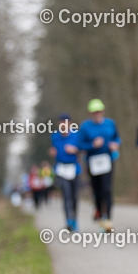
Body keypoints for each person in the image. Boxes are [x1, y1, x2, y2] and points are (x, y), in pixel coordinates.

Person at [77, 98, 120, 232]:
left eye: (99, 111)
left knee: (107, 189)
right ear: (91, 113)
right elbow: (80, 145)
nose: (97, 114)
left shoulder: (110, 123)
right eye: (94, 112)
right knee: (97, 190)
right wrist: (92, 145)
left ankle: (108, 219)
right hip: (92, 162)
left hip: (107, 160)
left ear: (103, 111)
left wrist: (116, 144)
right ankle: (100, 215)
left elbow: (117, 138)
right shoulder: (85, 127)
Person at [49, 113, 81, 231]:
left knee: (74, 197)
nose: (63, 125)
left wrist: (76, 150)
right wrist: (52, 152)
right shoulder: (55, 136)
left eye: (66, 123)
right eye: (61, 123)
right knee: (66, 196)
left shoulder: (76, 136)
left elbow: (82, 149)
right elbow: (54, 149)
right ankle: (69, 221)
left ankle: (75, 220)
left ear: (70, 124)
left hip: (74, 169)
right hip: (61, 169)